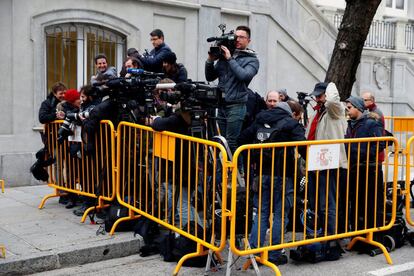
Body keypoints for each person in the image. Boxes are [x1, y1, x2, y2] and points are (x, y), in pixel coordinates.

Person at [238, 102, 306, 265]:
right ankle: (275, 254)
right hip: (284, 175)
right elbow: (304, 147)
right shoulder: (291, 123)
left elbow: (241, 139)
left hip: (260, 175)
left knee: (261, 213)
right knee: (280, 216)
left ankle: (255, 252)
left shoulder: (259, 121)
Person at [205, 25, 260, 154]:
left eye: (242, 37)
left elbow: (244, 76)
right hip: (221, 105)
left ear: (248, 40)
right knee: (222, 142)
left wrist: (230, 58)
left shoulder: (252, 59)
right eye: (236, 36)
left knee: (232, 142)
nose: (238, 39)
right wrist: (209, 61)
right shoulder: (224, 57)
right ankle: (223, 172)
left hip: (236, 105)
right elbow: (210, 76)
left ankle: (238, 172)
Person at [305, 82, 348, 236]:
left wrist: (330, 84)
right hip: (316, 162)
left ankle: (330, 237)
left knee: (327, 204)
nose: (317, 99)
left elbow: (332, 101)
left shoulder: (334, 110)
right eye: (316, 96)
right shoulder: (317, 113)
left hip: (330, 163)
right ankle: (321, 232)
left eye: (320, 95)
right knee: (317, 202)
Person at [345, 96, 386, 230]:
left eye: (350, 107)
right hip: (355, 168)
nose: (347, 109)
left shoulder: (371, 123)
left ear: (358, 108)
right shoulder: (351, 123)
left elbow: (380, 143)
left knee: (371, 204)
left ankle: (371, 233)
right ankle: (358, 232)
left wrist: (363, 154)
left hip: (369, 169)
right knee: (357, 203)